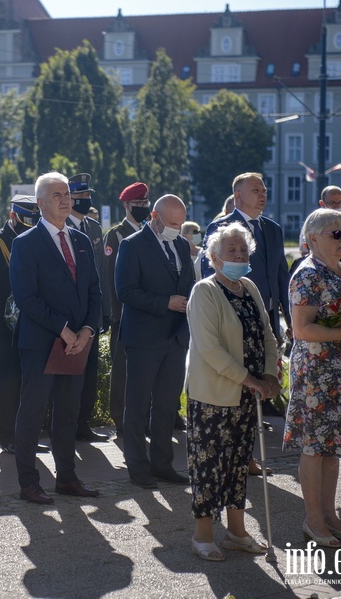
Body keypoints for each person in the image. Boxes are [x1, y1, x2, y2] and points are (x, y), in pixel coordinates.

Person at [186, 222, 280, 561]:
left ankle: (237, 532)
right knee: (209, 465)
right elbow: (210, 349)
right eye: (231, 251)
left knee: (239, 464)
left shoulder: (250, 287)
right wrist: (249, 379)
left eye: (243, 250)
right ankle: (203, 535)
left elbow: (268, 334)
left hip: (247, 395)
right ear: (214, 257)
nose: (239, 255)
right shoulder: (204, 291)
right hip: (213, 395)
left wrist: (269, 373)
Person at [10, 171, 102, 504]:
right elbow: (26, 297)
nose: (65, 200)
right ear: (39, 203)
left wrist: (88, 330)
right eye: (56, 195)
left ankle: (67, 478)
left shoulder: (80, 240)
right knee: (32, 414)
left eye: (67, 195)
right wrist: (63, 329)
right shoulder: (25, 243)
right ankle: (29, 483)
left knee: (67, 413)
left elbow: (94, 290)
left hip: (77, 343)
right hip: (41, 343)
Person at [283, 208, 341, 547]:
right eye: (337, 234)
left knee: (332, 446)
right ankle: (313, 519)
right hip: (317, 374)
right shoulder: (307, 274)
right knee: (314, 446)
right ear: (313, 238)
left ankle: (330, 514)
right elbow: (302, 329)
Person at [116, 194, 195, 488]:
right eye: (172, 223)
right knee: (136, 406)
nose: (177, 228)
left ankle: (163, 465)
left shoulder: (180, 245)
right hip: (144, 337)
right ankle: (138, 467)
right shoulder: (131, 245)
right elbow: (125, 291)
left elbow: (187, 283)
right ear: (154, 217)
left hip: (175, 337)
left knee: (165, 406)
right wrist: (165, 302)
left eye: (181, 223)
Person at [0, 196, 46, 454]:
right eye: (25, 221)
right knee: (10, 378)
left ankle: (29, 434)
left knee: (32, 379)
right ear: (13, 216)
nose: (29, 226)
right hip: (8, 319)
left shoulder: (38, 237)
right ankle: (8, 436)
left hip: (35, 317)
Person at [202, 173, 290, 341]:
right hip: (236, 314)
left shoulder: (273, 229)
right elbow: (210, 273)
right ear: (238, 195)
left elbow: (281, 275)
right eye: (256, 190)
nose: (263, 195)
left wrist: (289, 317)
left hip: (270, 316)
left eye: (264, 191)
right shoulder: (221, 227)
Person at [102, 182, 150, 437]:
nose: (143, 208)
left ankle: (143, 418)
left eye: (145, 203)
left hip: (146, 315)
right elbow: (110, 278)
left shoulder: (149, 232)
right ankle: (120, 419)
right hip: (123, 316)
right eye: (138, 204)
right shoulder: (116, 235)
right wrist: (115, 314)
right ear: (126, 205)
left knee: (143, 371)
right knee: (121, 370)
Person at [66, 173, 109, 442]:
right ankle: (66, 424)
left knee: (90, 370)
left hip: (90, 312)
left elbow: (101, 274)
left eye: (87, 196)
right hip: (69, 313)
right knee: (68, 372)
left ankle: (83, 422)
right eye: (79, 197)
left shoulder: (93, 228)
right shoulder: (60, 228)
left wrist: (103, 312)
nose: (85, 200)